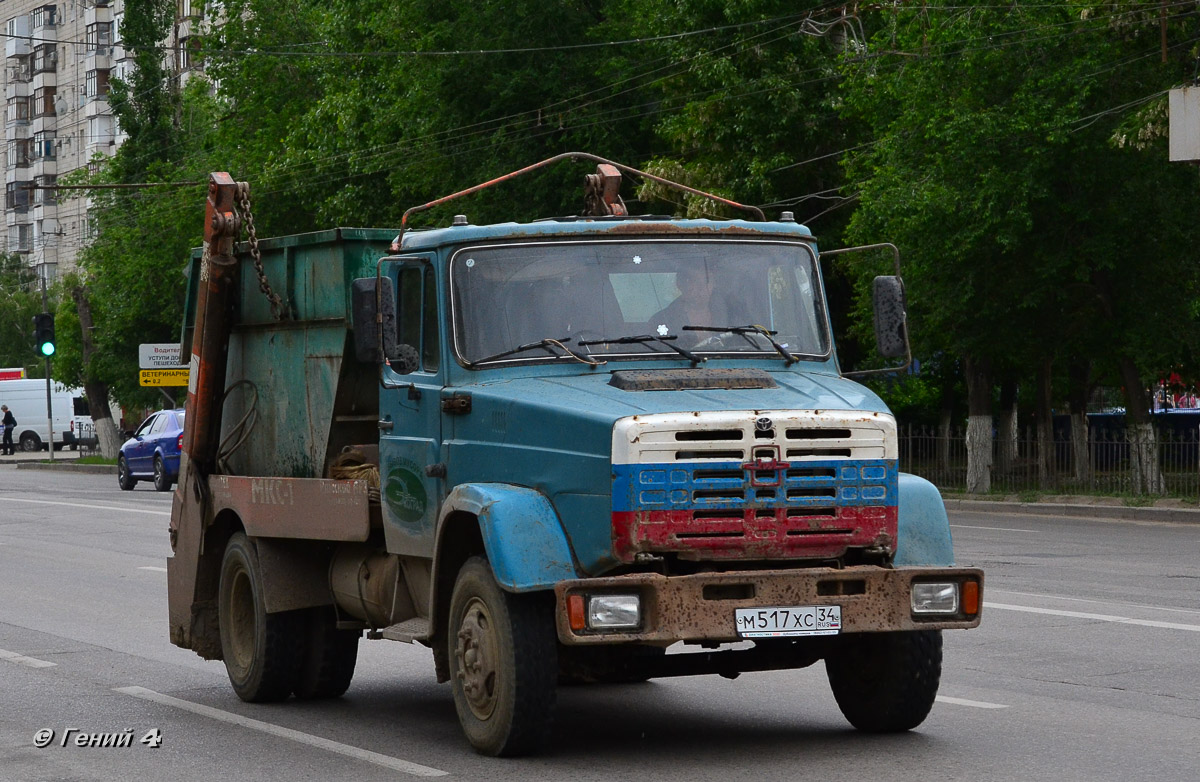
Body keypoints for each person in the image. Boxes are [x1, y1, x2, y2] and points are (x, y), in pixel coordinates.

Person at [650, 265, 726, 345]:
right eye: (695, 281)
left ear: (714, 284)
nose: (702, 288)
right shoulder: (661, 320)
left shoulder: (730, 314)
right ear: (680, 284)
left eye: (707, 281)